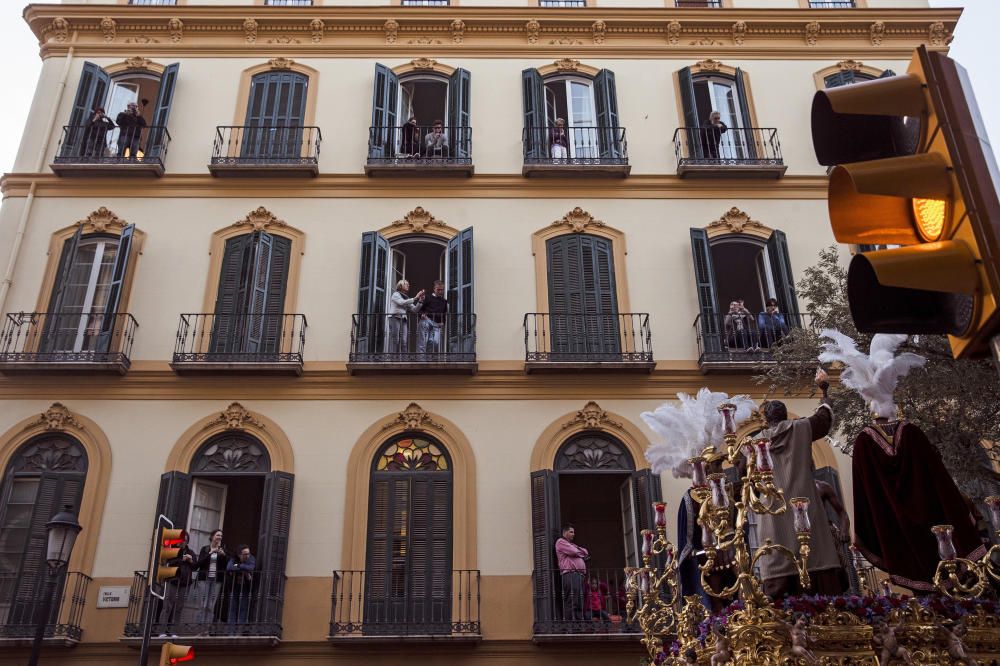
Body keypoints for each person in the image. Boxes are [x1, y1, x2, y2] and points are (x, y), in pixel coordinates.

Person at [755, 368, 844, 599]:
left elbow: (745, 478)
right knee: (814, 553)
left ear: (766, 419)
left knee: (776, 554)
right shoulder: (801, 428)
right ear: (785, 415)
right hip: (803, 504)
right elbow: (824, 419)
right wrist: (824, 389)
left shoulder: (755, 443)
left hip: (771, 510)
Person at [815, 478, 856, 594]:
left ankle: (843, 594)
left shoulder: (822, 486)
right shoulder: (794, 488)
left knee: (838, 568)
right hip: (807, 534)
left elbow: (842, 513)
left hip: (827, 531)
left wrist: (844, 531)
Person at [157, 530, 196, 636]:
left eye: (185, 540)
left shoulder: (191, 552)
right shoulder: (172, 550)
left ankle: (174, 632)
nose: (183, 542)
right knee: (167, 606)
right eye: (181, 540)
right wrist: (181, 559)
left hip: (184, 583)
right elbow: (168, 563)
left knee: (179, 607)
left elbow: (195, 566)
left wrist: (191, 561)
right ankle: (162, 631)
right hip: (172, 580)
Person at [554, 524, 588, 622]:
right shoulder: (561, 542)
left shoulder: (572, 544)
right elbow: (575, 552)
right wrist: (579, 552)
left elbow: (586, 552)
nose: (574, 534)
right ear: (565, 533)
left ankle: (578, 625)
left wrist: (579, 551)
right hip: (570, 574)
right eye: (571, 532)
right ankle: (570, 626)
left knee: (579, 601)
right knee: (571, 600)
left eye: (573, 532)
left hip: (579, 575)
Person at [195, 529, 230, 625]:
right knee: (203, 605)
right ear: (212, 537)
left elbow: (227, 566)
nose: (219, 537)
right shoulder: (205, 549)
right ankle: (199, 628)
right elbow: (199, 563)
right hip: (204, 580)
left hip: (216, 581)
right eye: (218, 535)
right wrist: (210, 553)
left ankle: (206, 630)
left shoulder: (223, 550)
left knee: (210, 606)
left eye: (221, 536)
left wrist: (224, 555)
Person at [385, 280, 424, 355]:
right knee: (395, 340)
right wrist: (415, 298)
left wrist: (420, 301)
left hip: (403, 320)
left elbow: (414, 310)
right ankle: (393, 359)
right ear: (400, 286)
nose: (408, 286)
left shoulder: (406, 298)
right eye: (406, 284)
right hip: (395, 317)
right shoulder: (395, 294)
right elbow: (401, 302)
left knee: (404, 341)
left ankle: (404, 359)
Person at [226, 544, 256, 625]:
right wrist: (243, 568)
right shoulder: (233, 558)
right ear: (239, 555)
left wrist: (238, 566)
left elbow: (251, 568)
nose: (247, 556)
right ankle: (231, 633)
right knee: (232, 608)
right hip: (234, 586)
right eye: (245, 554)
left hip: (245, 587)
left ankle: (239, 631)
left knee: (243, 609)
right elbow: (229, 567)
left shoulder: (251, 558)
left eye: (248, 553)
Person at [417, 280, 448, 356]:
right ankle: (421, 362)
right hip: (426, 320)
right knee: (423, 342)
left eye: (442, 290)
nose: (440, 292)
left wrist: (443, 322)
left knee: (435, 342)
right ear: (434, 289)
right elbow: (419, 309)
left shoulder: (444, 301)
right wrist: (421, 315)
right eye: (438, 290)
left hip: (436, 324)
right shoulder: (427, 297)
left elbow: (444, 313)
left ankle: (427, 360)